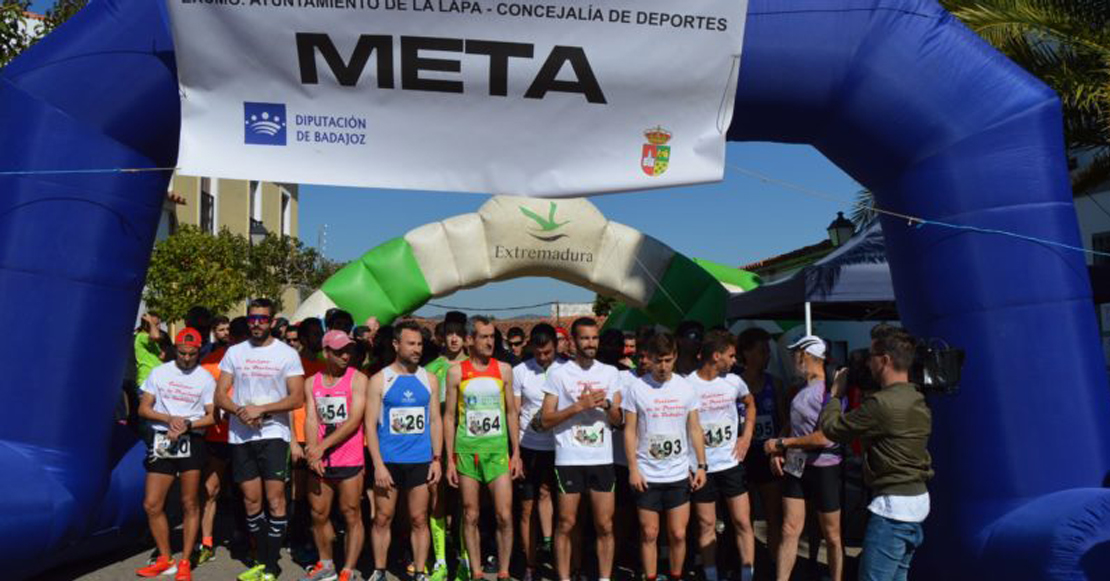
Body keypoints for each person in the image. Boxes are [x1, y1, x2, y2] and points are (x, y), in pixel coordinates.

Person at [819, 326, 933, 581]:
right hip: (916, 501)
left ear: (885, 360)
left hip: (893, 510)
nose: (867, 363)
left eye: (871, 356)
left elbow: (832, 429)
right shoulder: (917, 397)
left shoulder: (881, 404)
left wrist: (835, 395)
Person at [215, 298, 306, 581]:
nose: (257, 324)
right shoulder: (234, 352)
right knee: (251, 502)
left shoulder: (287, 354)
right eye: (252, 319)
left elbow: (297, 397)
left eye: (263, 320)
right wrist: (242, 412)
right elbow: (220, 395)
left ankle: (270, 564)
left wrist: (262, 410)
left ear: (272, 321)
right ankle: (261, 558)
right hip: (241, 435)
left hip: (273, 433)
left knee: (275, 501)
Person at [540, 317, 623, 581]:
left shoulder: (610, 373)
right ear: (573, 342)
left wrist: (607, 405)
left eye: (594, 338)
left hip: (601, 457)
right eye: (585, 338)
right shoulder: (558, 374)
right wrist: (579, 406)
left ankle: (604, 578)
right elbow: (545, 419)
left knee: (605, 525)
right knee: (566, 523)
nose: (591, 343)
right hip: (569, 458)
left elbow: (620, 420)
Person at [622, 332, 707, 581]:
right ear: (648, 359)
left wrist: (701, 465)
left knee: (678, 534)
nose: (663, 367)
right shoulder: (637, 388)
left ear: (675, 357)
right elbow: (629, 431)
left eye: (668, 360)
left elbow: (695, 428)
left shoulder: (686, 387)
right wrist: (633, 469)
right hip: (647, 474)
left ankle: (676, 576)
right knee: (649, 533)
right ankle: (650, 577)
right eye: (658, 361)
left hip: (678, 472)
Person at [135, 328, 217, 581]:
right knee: (152, 503)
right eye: (182, 353)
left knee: (189, 502)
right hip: (163, 439)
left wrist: (188, 425)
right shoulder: (160, 373)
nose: (187, 358)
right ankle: (165, 558)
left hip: (191, 440)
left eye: (193, 354)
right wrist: (170, 418)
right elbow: (143, 409)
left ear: (199, 351)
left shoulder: (205, 378)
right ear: (175, 350)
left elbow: (212, 416)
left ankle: (184, 561)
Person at [444, 315, 522, 581]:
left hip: (498, 451)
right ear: (470, 340)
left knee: (504, 514)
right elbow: (450, 418)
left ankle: (504, 570)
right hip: (467, 452)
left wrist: (516, 453)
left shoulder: (503, 370)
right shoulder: (456, 372)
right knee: (470, 513)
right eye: (484, 337)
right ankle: (475, 571)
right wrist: (450, 461)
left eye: (492, 336)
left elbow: (512, 412)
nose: (490, 342)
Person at [365, 320, 444, 581]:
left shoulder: (429, 379)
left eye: (420, 343)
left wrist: (436, 459)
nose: (417, 348)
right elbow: (370, 425)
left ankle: (420, 571)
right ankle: (379, 570)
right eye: (411, 343)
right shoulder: (380, 380)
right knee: (383, 518)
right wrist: (377, 464)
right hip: (388, 461)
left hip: (420, 460)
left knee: (420, 518)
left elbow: (435, 421)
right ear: (396, 344)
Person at [763, 335, 843, 581]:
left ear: (806, 356)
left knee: (832, 534)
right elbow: (793, 423)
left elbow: (824, 437)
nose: (792, 358)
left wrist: (781, 444)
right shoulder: (801, 388)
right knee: (789, 528)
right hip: (797, 465)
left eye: (795, 353)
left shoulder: (831, 390)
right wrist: (780, 446)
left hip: (824, 466)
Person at [300, 330, 369, 581]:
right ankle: (326, 563)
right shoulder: (311, 382)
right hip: (320, 460)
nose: (345, 355)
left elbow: (354, 420)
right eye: (339, 351)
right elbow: (310, 418)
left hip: (349, 457)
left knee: (351, 512)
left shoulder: (358, 379)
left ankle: (348, 569)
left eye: (348, 350)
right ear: (326, 352)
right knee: (318, 513)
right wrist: (312, 450)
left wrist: (322, 446)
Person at [688, 330, 756, 581]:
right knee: (706, 526)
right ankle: (711, 576)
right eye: (731, 355)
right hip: (701, 467)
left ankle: (747, 575)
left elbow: (750, 404)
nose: (734, 360)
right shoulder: (687, 384)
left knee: (742, 522)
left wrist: (746, 437)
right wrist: (688, 464)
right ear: (716, 356)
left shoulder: (734, 381)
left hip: (730, 463)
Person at [196, 316, 249, 566]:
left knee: (246, 493)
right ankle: (206, 542)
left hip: (246, 436)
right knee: (211, 490)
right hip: (218, 435)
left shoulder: (254, 363)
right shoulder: (210, 363)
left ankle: (248, 539)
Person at [512, 324, 561, 581]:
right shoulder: (520, 371)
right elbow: (515, 412)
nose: (543, 358)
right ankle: (530, 564)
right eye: (539, 353)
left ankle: (552, 548)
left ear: (557, 346)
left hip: (559, 447)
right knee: (527, 506)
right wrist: (515, 453)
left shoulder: (565, 369)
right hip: (528, 444)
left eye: (548, 352)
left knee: (553, 498)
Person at [736, 327, 787, 562]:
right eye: (762, 351)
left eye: (768, 351)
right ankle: (746, 564)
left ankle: (775, 564)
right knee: (743, 517)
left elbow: (784, 419)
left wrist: (779, 445)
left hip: (768, 456)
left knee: (773, 515)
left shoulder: (774, 384)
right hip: (741, 457)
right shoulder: (734, 385)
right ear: (746, 353)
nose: (767, 356)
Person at [424, 318, 468, 580]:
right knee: (436, 499)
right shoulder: (431, 369)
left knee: (466, 504)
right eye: (449, 334)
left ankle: (465, 557)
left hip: (467, 442)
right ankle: (440, 560)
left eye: (458, 334)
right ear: (442, 337)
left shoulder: (474, 367)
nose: (453, 339)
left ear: (467, 337)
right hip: (436, 444)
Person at [136, 312, 166, 387]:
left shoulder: (151, 340)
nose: (158, 327)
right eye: (156, 324)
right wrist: (151, 322)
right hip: (146, 381)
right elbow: (156, 336)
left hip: (155, 381)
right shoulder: (142, 336)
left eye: (159, 324)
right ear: (147, 324)